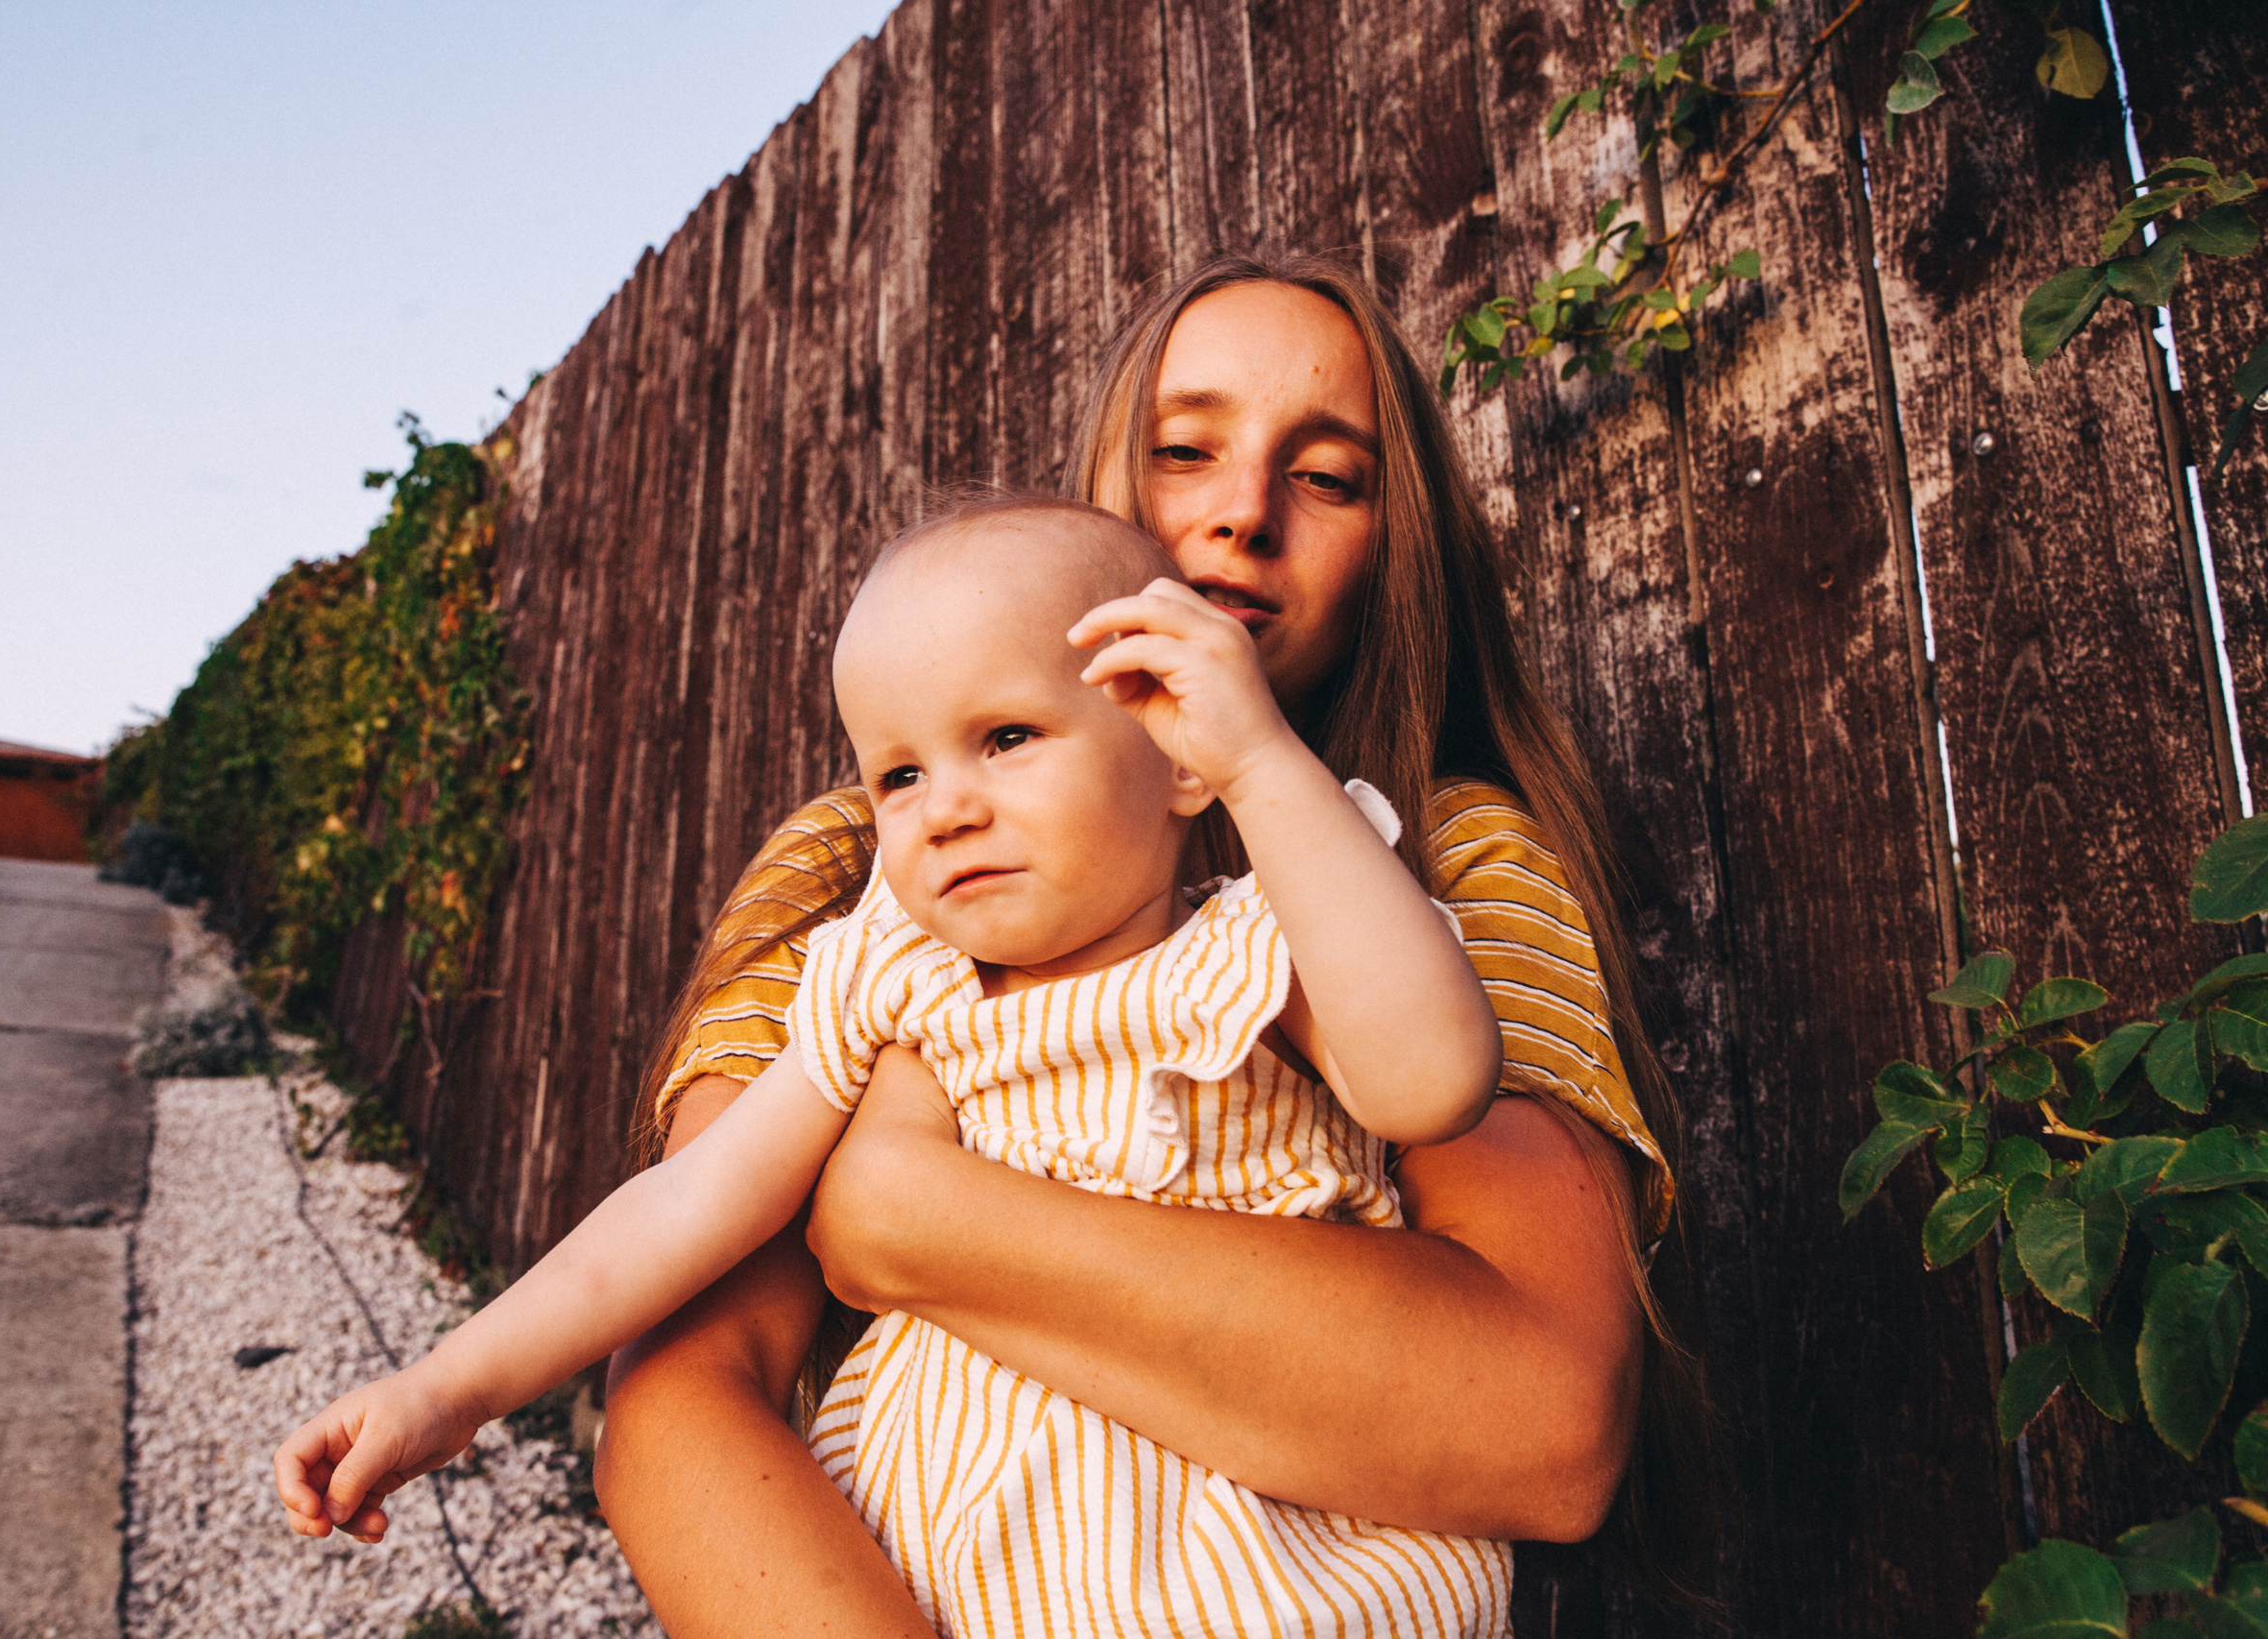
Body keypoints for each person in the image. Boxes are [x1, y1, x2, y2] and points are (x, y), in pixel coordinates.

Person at [595, 252, 1714, 1637]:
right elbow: (683, 1399)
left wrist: (901, 1211)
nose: (1241, 515)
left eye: (1328, 477)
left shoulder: (1457, 855)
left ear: (1391, 553)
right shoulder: (865, 865)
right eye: (1186, 452)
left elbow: (1542, 1423)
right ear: (1105, 494)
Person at [270, 496, 1511, 1636]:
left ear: (1178, 754)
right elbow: (686, 1206)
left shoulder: (1257, 950)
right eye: (899, 774)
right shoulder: (892, 979)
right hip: (955, 1569)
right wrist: (452, 1389)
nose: (944, 808)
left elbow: (1429, 1079)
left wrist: (1266, 766)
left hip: (1256, 1564)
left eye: (1007, 737)